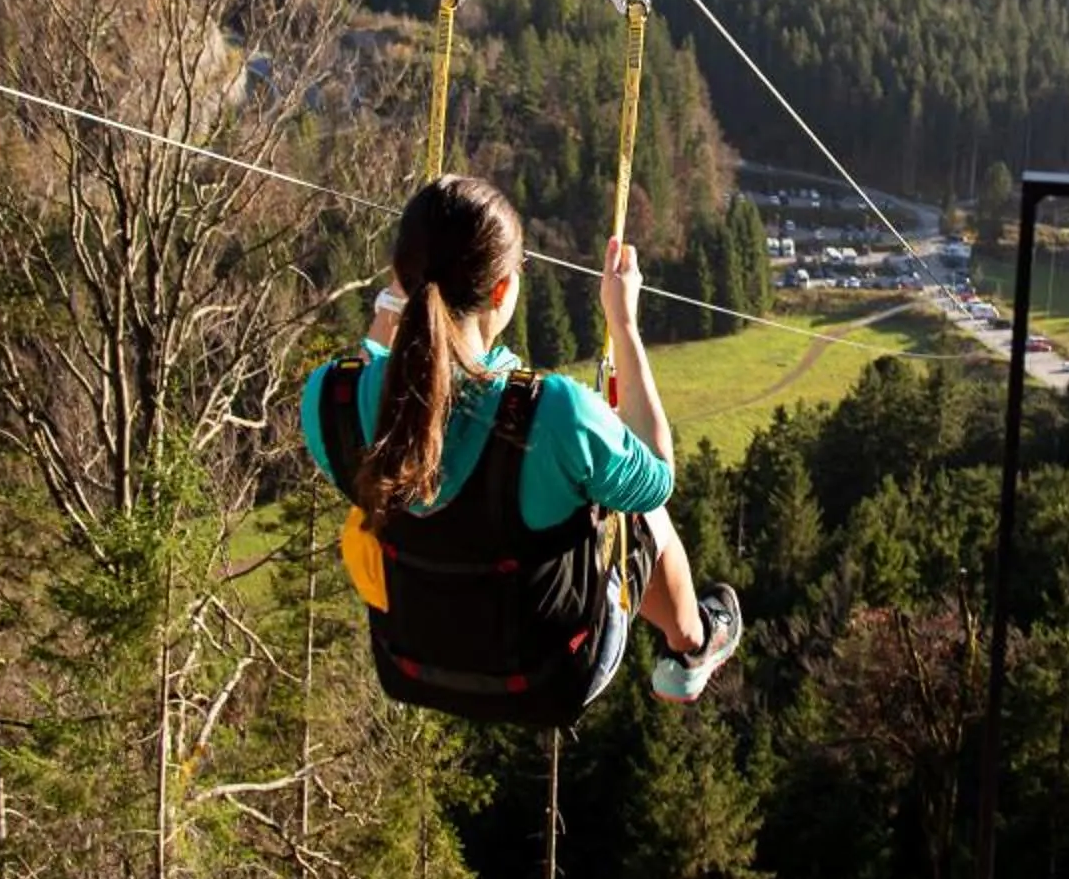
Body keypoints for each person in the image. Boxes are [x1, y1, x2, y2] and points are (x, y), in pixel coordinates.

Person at [300, 174, 741, 725]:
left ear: (399, 275)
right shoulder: (552, 415)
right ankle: (691, 644)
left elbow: (394, 387)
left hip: (413, 662)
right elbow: (657, 475)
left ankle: (689, 641)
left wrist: (392, 312)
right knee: (642, 506)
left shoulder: (330, 399)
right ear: (503, 291)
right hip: (550, 672)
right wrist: (623, 323)